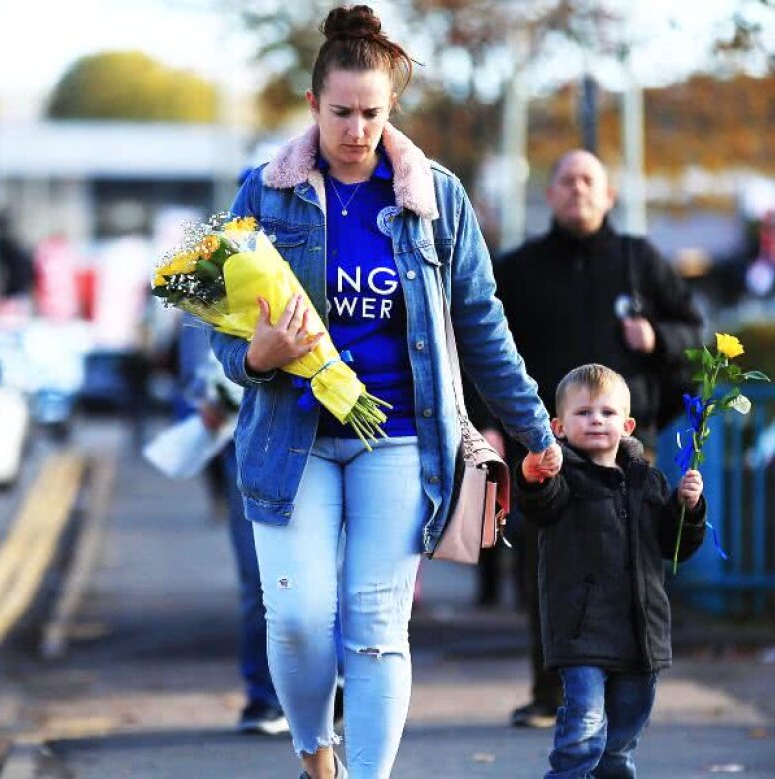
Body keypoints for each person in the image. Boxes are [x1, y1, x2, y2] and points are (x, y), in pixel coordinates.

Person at [208, 6, 561, 778]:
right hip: (289, 438)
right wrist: (259, 355)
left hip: (399, 438)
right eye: (342, 112)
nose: (357, 129)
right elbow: (222, 338)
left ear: (391, 108)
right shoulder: (263, 196)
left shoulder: (434, 199)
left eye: (372, 112)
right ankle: (313, 744)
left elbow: (480, 320)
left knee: (374, 628)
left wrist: (536, 428)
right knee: (299, 621)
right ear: (313, 106)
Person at [478, 149, 708, 727]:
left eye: (589, 181)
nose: (577, 189)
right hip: (545, 444)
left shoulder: (640, 262)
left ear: (608, 196)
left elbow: (696, 333)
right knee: (546, 565)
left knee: (628, 564)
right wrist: (488, 425)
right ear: (550, 195)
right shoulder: (521, 268)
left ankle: (622, 688)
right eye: (566, 180)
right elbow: (481, 348)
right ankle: (549, 692)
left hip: (631, 449)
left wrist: (656, 337)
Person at [515, 364, 708, 779]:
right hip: (581, 630)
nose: (596, 420)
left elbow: (677, 547)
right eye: (583, 413)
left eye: (607, 412)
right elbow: (540, 504)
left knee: (624, 732)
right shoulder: (561, 474)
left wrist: (687, 509)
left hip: (641, 632)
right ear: (560, 426)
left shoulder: (649, 481)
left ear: (628, 424)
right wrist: (533, 477)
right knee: (584, 728)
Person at [178, 322, 288, 736]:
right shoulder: (214, 262)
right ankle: (266, 697)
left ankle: (336, 680)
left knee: (336, 572)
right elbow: (194, 361)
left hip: (316, 433)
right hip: (245, 441)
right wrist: (211, 396)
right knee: (260, 579)